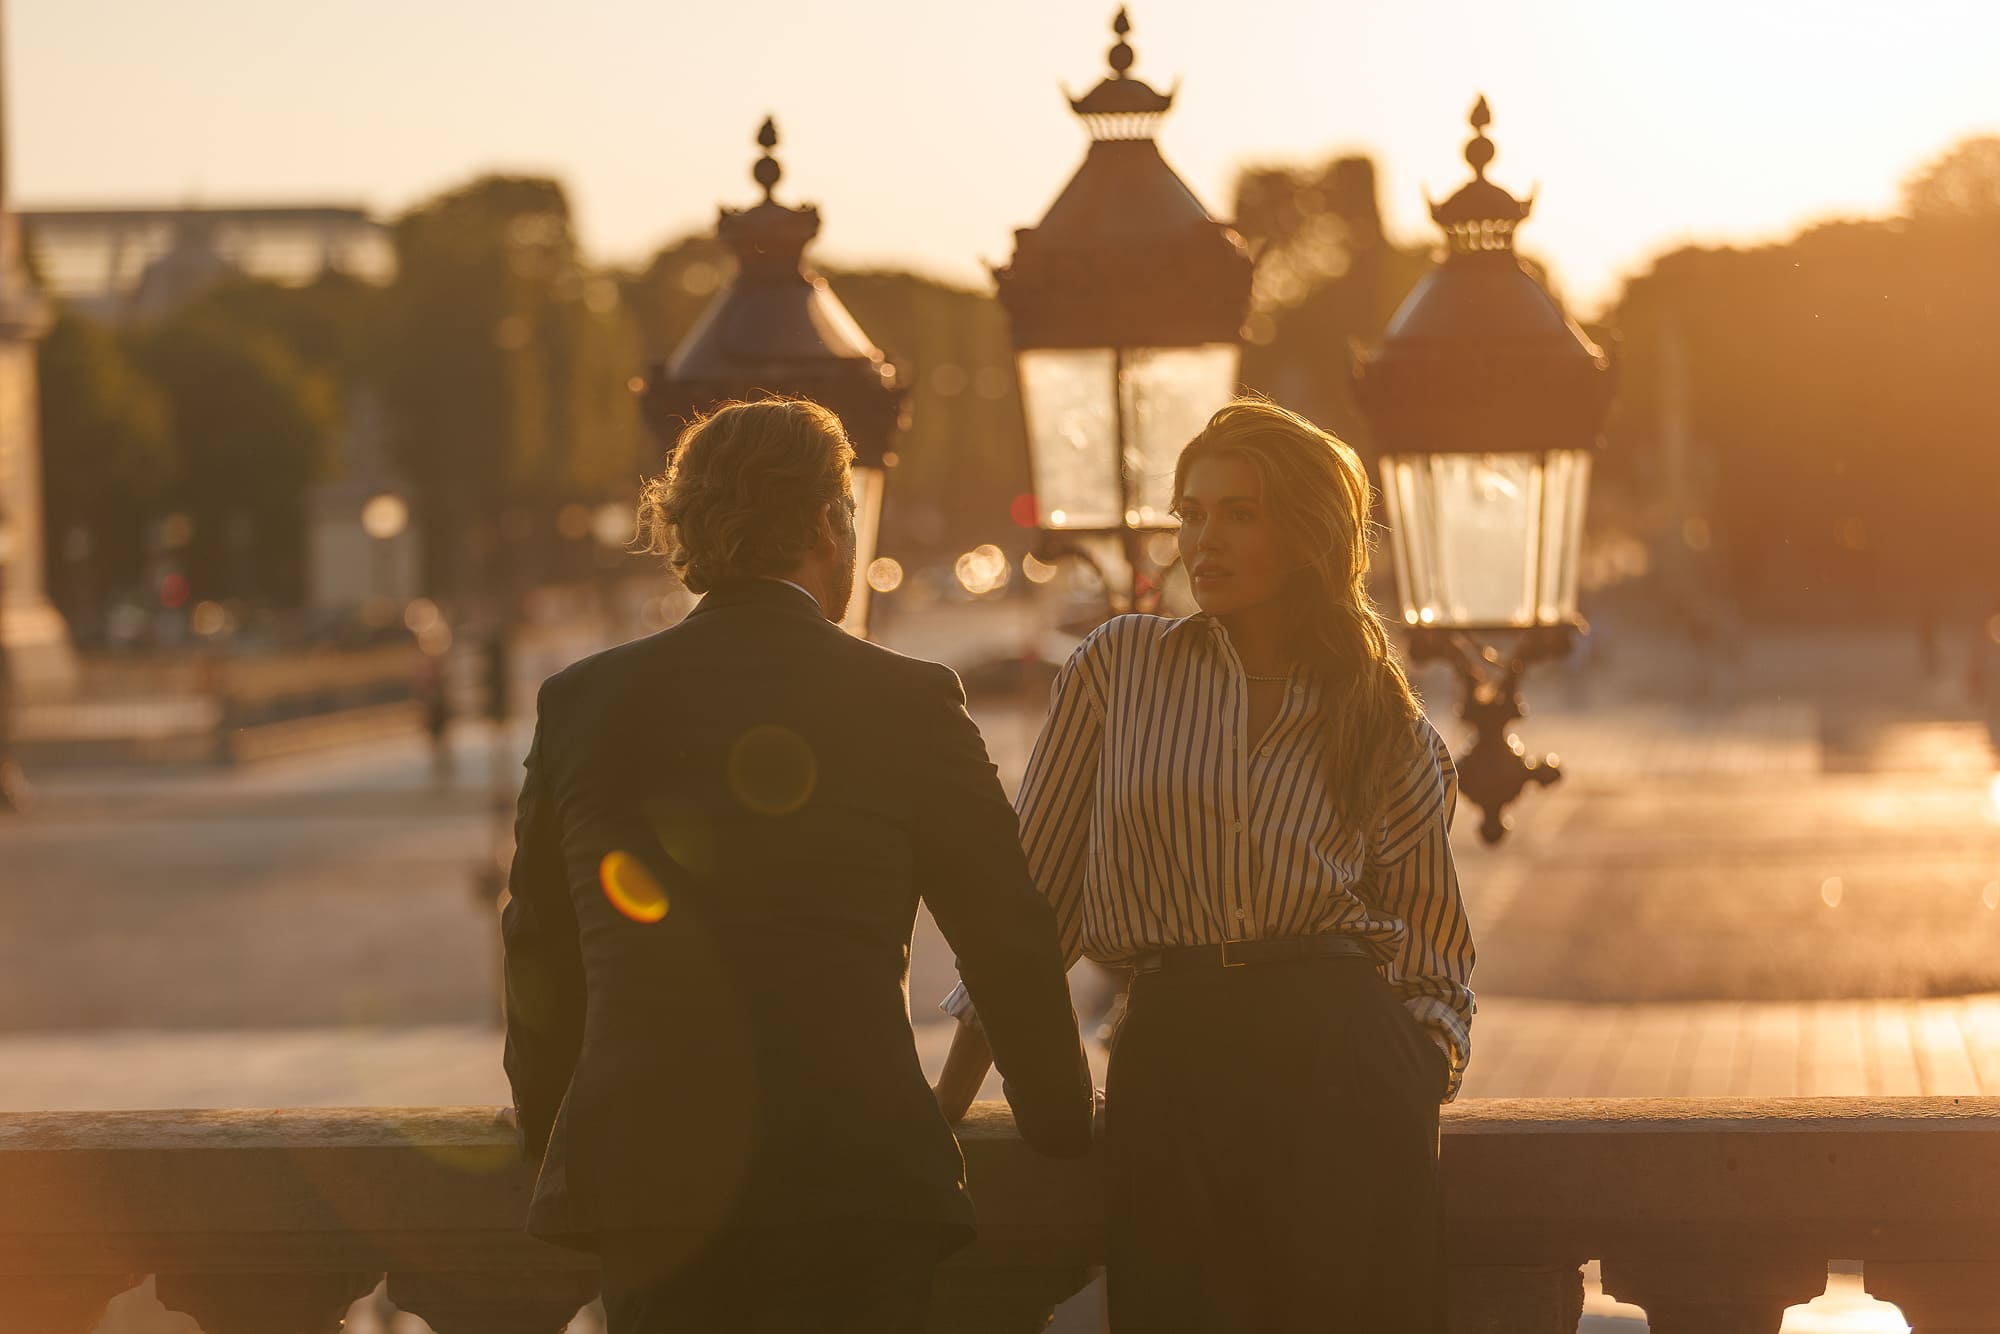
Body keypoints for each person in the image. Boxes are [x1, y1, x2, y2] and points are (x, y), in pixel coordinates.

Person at [500, 397, 1094, 1334]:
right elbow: (1006, 933)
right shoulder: (907, 700)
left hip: (652, 1178)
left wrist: (544, 1123)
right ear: (826, 522)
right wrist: (1060, 1121)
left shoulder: (583, 702)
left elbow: (542, 947)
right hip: (852, 1170)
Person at [933, 399, 1475, 1333]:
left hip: (1341, 1065)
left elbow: (1434, 949)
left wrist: (1410, 1072)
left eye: (1239, 513)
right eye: (1191, 512)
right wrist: (944, 1103)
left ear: (1307, 535)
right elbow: (1035, 905)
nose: (1202, 540)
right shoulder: (1119, 666)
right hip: (1172, 1057)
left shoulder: (1383, 722)